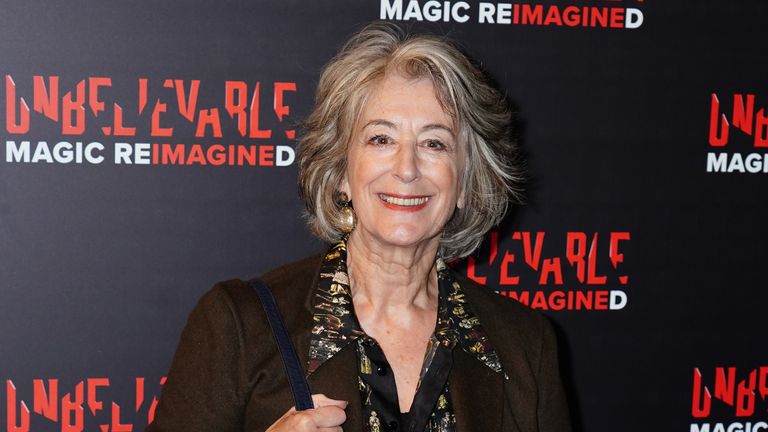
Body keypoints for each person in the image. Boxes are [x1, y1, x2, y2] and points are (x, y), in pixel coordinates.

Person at [146, 22, 571, 432]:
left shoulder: (523, 344)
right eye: (380, 139)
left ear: (465, 180)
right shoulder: (239, 326)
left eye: (434, 143)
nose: (407, 169)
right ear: (341, 172)